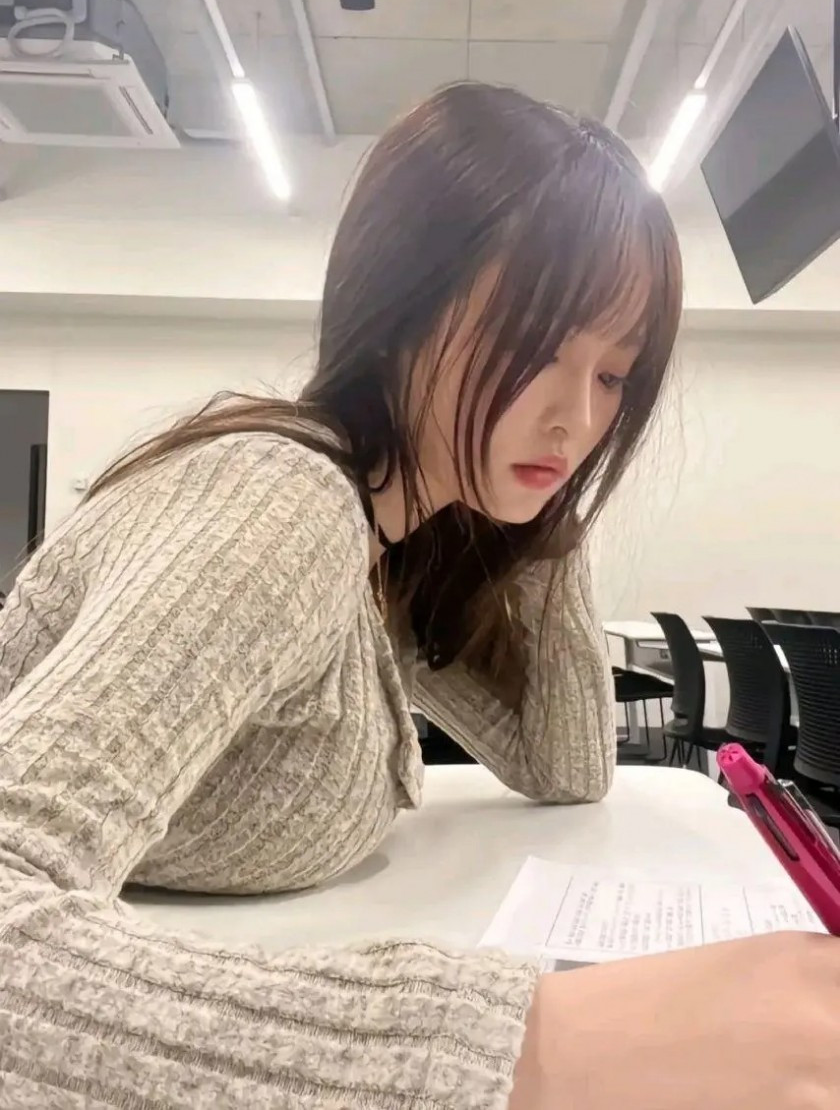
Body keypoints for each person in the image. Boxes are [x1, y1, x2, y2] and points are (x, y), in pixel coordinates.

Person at [0, 83, 837, 1110]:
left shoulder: (390, 549)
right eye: (536, 347)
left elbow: (567, 768)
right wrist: (529, 1052)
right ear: (399, 315)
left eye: (613, 375)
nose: (576, 418)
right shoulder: (282, 506)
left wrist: (546, 524)